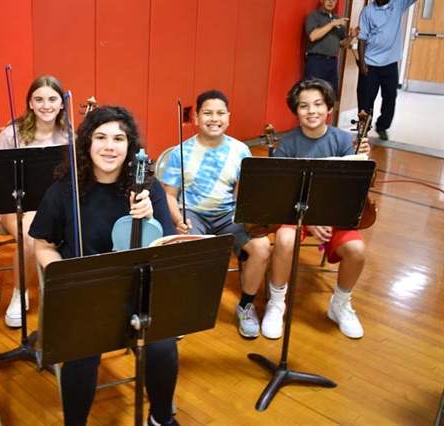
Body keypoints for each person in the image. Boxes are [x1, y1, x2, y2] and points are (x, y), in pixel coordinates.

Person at [29, 106, 180, 426]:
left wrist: (150, 220)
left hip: (137, 287)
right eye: (100, 137)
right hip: (88, 291)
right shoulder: (63, 191)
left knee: (163, 346)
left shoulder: (148, 189)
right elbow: (42, 244)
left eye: (118, 138)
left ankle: (160, 418)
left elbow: (165, 244)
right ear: (86, 144)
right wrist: (62, 275)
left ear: (130, 147)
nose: (109, 146)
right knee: (82, 356)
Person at [264, 78, 371, 340]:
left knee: (357, 250)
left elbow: (348, 190)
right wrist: (309, 219)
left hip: (331, 215)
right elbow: (280, 192)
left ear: (329, 108)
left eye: (318, 104)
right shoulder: (288, 144)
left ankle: (340, 304)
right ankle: (276, 302)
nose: (311, 111)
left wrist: (363, 162)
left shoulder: (342, 140)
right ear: (296, 111)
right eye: (304, 106)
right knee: (285, 239)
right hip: (295, 214)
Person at [160, 90, 271, 339]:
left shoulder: (241, 150)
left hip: (229, 217)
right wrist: (179, 221)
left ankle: (246, 305)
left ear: (228, 117)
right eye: (207, 113)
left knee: (262, 247)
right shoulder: (181, 151)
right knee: (183, 249)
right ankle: (181, 310)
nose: (214, 118)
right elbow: (169, 195)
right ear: (197, 117)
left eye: (220, 113)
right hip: (194, 215)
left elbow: (248, 194)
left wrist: (252, 219)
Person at [0, 75, 68, 328]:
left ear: (61, 103)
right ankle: (19, 292)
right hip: (16, 205)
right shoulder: (11, 135)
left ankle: (67, 293)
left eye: (52, 99)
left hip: (55, 205)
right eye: (39, 99)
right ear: (30, 104)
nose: (46, 105)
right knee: (29, 237)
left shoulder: (70, 136)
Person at [358, 0, 417, 141]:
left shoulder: (398, 4)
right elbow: (362, 38)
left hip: (390, 64)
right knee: (365, 99)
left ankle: (382, 126)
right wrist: (362, 62)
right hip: (370, 63)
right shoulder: (368, 11)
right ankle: (363, 129)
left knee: (390, 97)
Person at [304, 0, 360, 96]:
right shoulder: (314, 16)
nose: (331, 2)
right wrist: (332, 24)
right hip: (316, 61)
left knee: (331, 96)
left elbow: (342, 44)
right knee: (313, 94)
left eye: (334, 0)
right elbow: (313, 36)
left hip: (332, 63)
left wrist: (351, 37)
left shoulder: (338, 19)